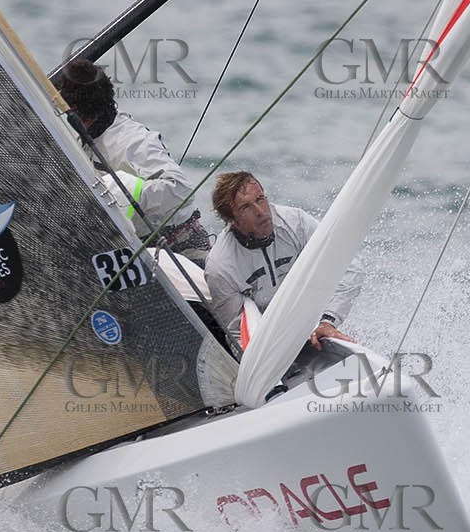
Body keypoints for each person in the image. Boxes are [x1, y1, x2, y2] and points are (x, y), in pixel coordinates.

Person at [52, 59, 213, 264]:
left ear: (76, 111)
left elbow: (181, 190)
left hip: (181, 248)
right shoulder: (85, 139)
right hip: (135, 251)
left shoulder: (134, 141)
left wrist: (129, 194)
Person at [203, 171, 363, 349]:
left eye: (260, 199)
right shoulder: (220, 266)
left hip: (313, 323)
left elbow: (350, 266)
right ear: (231, 219)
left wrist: (329, 321)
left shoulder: (296, 223)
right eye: (246, 207)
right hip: (264, 339)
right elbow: (236, 334)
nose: (260, 211)